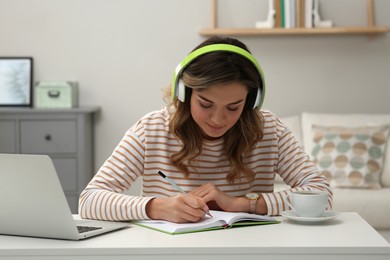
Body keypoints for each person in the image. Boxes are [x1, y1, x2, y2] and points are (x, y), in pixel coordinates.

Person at [79, 36, 332, 223]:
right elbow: (90, 200)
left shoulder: (269, 130)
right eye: (206, 104)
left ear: (252, 101)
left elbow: (321, 194)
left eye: (234, 107)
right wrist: (156, 207)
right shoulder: (151, 130)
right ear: (184, 94)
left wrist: (241, 204)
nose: (218, 119)